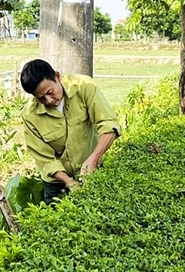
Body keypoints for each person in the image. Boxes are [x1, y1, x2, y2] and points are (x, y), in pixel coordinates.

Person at [20, 59, 120, 204]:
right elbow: (45, 159)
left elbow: (109, 124)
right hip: (55, 182)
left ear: (57, 76)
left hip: (92, 169)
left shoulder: (84, 87)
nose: (48, 101)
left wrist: (93, 159)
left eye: (50, 92)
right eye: (41, 98)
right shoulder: (30, 115)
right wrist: (69, 182)